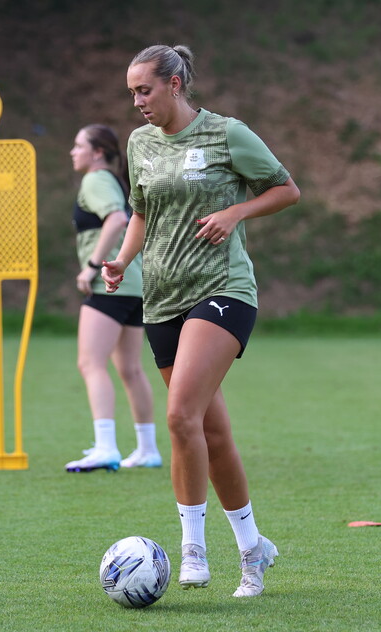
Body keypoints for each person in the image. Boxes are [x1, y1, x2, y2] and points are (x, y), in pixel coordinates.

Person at [103, 45, 300, 597]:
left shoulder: (226, 133)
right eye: (131, 93)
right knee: (208, 431)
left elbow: (286, 189)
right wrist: (121, 259)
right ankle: (254, 548)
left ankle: (193, 549)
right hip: (161, 300)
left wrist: (236, 211)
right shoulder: (139, 142)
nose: (137, 101)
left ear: (174, 84)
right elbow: (142, 211)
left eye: (144, 90)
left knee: (179, 416)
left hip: (222, 291)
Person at [65, 124, 162, 472]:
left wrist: (92, 266)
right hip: (135, 285)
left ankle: (106, 447)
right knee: (130, 369)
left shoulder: (96, 180)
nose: (73, 152)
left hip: (111, 284)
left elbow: (117, 219)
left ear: (98, 153)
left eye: (79, 146)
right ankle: (147, 449)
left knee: (90, 363)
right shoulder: (114, 181)